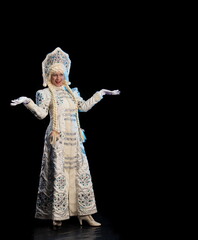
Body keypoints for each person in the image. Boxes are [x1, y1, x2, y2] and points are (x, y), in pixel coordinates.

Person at [10, 47, 120, 227]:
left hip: (74, 139)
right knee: (58, 173)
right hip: (57, 139)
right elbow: (41, 115)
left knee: (79, 172)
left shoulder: (72, 92)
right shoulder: (44, 93)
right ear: (49, 76)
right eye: (55, 75)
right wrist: (27, 102)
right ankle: (58, 215)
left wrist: (101, 93)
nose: (58, 78)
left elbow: (83, 107)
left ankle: (84, 214)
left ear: (65, 74)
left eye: (61, 74)